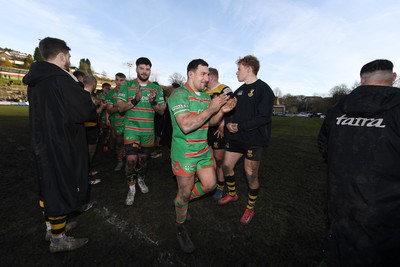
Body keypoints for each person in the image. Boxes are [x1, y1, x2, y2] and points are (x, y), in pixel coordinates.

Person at [317, 59, 400, 266]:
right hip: (386, 212)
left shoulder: (337, 109)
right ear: (394, 77)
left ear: (361, 80)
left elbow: (324, 145)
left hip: (340, 201)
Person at [23, 37, 96, 253]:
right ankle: (58, 238)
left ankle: (52, 227)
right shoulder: (61, 79)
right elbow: (83, 110)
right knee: (60, 185)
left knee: (47, 183)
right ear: (62, 55)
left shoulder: (37, 78)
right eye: (69, 56)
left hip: (43, 139)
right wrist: (87, 93)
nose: (70, 60)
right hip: (61, 141)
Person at [168, 59, 236, 253]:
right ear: (191, 74)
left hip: (203, 151)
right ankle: (180, 226)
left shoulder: (206, 97)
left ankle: (182, 202)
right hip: (185, 154)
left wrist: (222, 111)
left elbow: (211, 121)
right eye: (203, 74)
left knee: (210, 185)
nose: (207, 78)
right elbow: (187, 125)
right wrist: (213, 108)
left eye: (208, 75)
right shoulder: (179, 94)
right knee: (184, 193)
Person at [218, 55, 275, 226]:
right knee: (226, 166)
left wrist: (240, 126)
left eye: (239, 69)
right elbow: (229, 111)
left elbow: (264, 117)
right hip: (236, 137)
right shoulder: (239, 91)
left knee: (251, 174)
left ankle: (250, 207)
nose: (237, 72)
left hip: (253, 140)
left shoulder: (264, 90)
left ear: (249, 69)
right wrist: (228, 124)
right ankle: (232, 194)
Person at [116, 57, 166, 206]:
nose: (144, 72)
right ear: (137, 69)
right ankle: (131, 189)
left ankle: (141, 179)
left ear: (150, 70)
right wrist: (135, 100)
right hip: (131, 129)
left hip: (148, 131)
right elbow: (120, 108)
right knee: (131, 160)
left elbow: (162, 111)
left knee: (143, 160)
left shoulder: (156, 89)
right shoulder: (127, 85)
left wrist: (153, 103)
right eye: (142, 68)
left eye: (147, 69)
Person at [204, 67, 233, 200]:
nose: (204, 78)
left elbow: (233, 105)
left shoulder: (224, 89)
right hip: (205, 128)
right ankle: (210, 183)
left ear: (212, 77)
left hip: (218, 130)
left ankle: (220, 186)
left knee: (219, 159)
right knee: (209, 159)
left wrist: (223, 122)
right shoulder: (203, 91)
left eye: (206, 75)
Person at [82, 75, 102, 185]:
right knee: (89, 152)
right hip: (90, 127)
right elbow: (92, 114)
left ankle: (88, 171)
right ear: (94, 84)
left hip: (82, 128)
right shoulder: (86, 96)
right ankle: (86, 176)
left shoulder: (82, 94)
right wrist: (101, 108)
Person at [106, 73, 127, 171]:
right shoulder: (110, 94)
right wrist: (119, 107)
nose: (119, 82)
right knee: (119, 142)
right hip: (116, 122)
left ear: (125, 81)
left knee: (130, 142)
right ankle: (120, 161)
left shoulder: (129, 92)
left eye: (121, 80)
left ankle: (128, 159)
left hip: (128, 121)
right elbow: (109, 110)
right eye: (117, 80)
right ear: (115, 81)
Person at [97, 82, 112, 152]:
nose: (108, 90)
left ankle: (107, 144)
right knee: (104, 132)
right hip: (102, 117)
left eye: (109, 88)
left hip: (110, 117)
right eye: (107, 88)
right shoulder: (99, 96)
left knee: (109, 132)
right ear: (103, 88)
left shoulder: (111, 95)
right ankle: (103, 145)